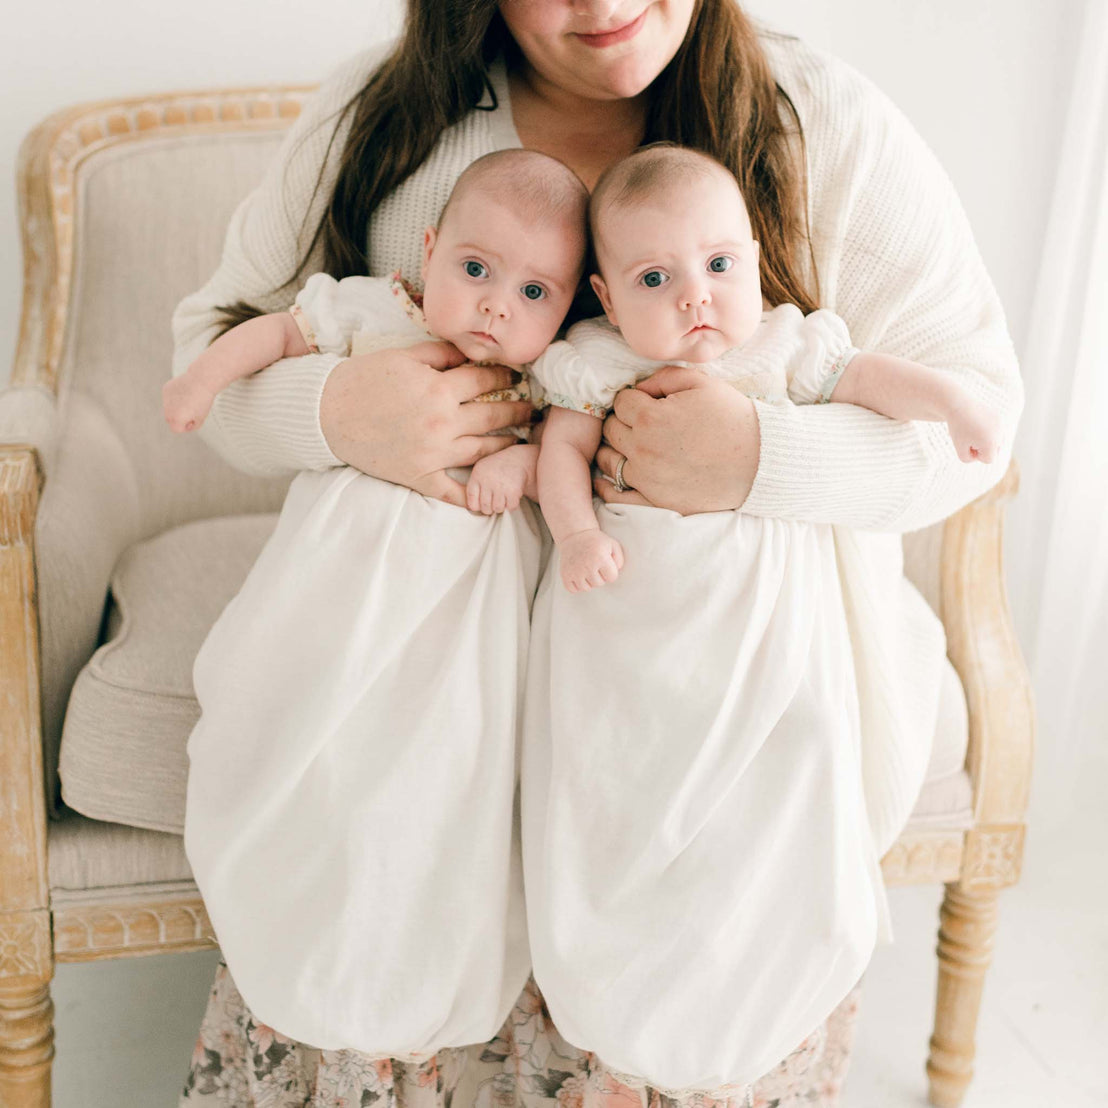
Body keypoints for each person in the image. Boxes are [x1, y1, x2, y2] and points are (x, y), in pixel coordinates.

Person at [174, 2, 1024, 1105]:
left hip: (693, 707)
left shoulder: (820, 125)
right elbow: (208, 356)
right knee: (379, 929)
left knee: (677, 986)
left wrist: (762, 458)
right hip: (415, 700)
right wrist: (337, 412)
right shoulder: (384, 118)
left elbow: (980, 423)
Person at [520, 142, 1002, 1095]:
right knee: (621, 764)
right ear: (609, 299)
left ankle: (764, 944)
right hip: (636, 623)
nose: (696, 296)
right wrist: (575, 535)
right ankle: (637, 956)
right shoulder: (597, 361)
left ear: (750, 255)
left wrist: (950, 400)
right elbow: (558, 454)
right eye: (656, 278)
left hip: (765, 621)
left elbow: (871, 380)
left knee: (801, 748)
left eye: (718, 266)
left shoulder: (785, 347)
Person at [183, 149, 586, 1062]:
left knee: (447, 748)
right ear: (432, 250)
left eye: (533, 293)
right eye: (477, 271)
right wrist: (202, 382)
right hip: (348, 556)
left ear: (566, 309)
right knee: (306, 703)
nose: (495, 306)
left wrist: (513, 464)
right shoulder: (378, 307)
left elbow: (559, 453)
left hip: (471, 598)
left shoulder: (549, 374)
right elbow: (276, 335)